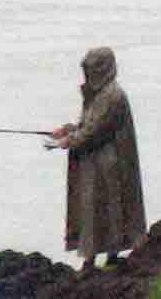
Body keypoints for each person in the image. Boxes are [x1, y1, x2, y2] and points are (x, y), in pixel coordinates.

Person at [45, 45, 144, 268]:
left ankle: (104, 257)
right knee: (95, 210)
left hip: (110, 166)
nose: (89, 75)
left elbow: (94, 131)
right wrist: (68, 130)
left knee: (107, 209)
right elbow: (87, 125)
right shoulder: (99, 94)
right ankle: (98, 257)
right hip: (96, 164)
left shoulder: (113, 95)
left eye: (92, 69)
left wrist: (66, 142)